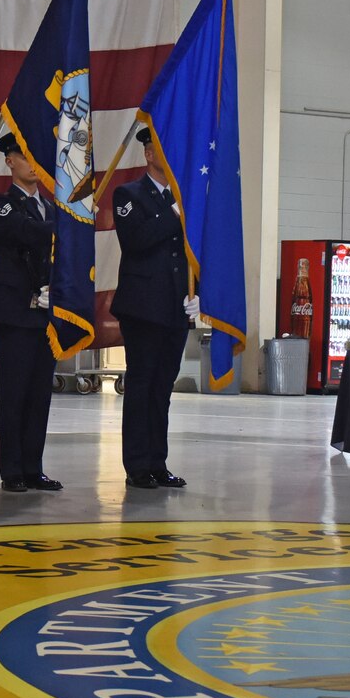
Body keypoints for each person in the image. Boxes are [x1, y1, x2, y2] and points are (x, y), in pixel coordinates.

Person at [112, 127, 200, 489]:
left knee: (163, 388)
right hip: (142, 308)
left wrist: (199, 295)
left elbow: (193, 253)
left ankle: (157, 461)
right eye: (165, 149)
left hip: (175, 308)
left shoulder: (183, 199)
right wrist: (175, 213)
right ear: (149, 155)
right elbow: (136, 240)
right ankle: (137, 465)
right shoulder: (128, 194)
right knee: (142, 384)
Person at [0, 136, 61, 492]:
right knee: (14, 393)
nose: (33, 164)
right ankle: (11, 470)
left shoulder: (52, 208)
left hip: (46, 312)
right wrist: (67, 230)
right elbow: (24, 232)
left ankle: (33, 467)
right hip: (14, 310)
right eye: (24, 157)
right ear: (9, 162)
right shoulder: (1, 203)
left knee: (40, 393)